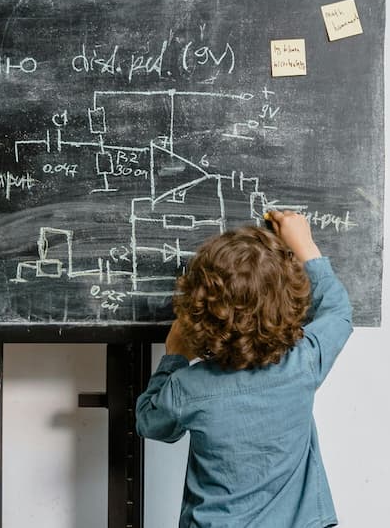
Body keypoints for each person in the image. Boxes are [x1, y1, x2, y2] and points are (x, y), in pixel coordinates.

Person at [136, 210, 353, 528]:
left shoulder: (188, 387)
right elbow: (338, 310)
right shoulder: (303, 363)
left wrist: (174, 356)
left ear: (199, 310)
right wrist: (305, 246)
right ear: (290, 302)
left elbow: (150, 423)